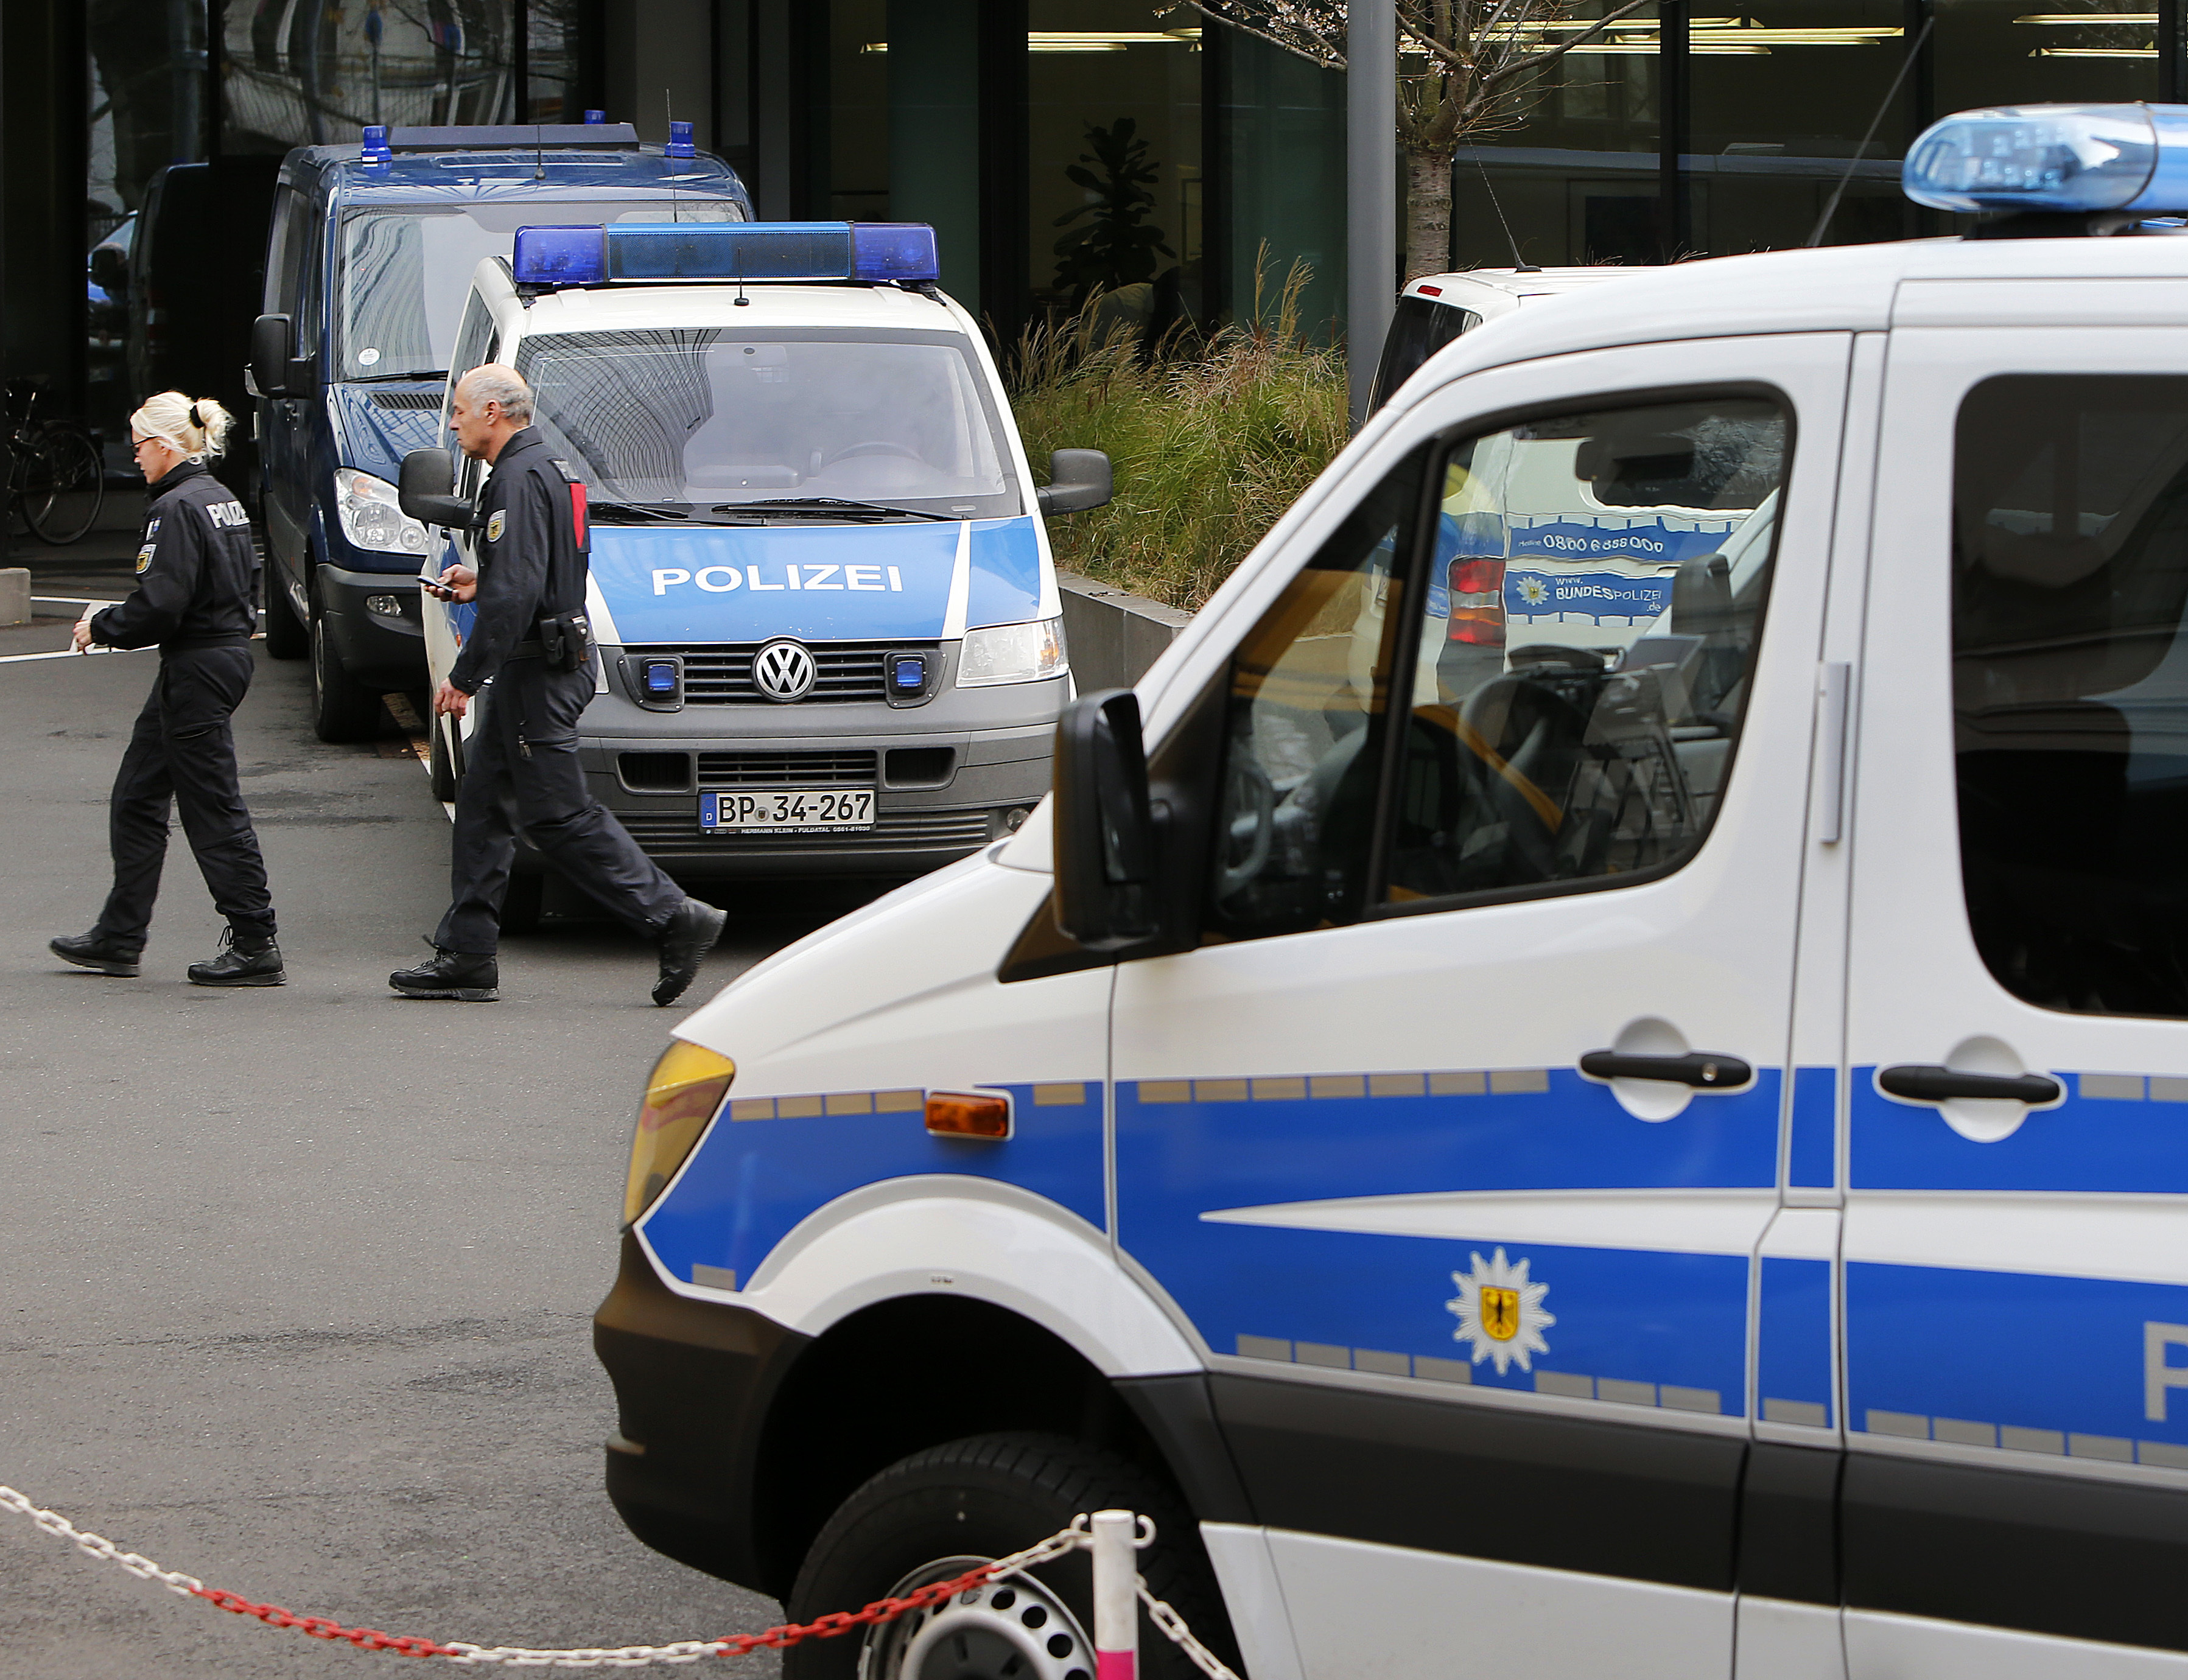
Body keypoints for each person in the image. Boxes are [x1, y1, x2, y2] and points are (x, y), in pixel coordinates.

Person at [390, 365, 726, 1006]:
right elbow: (537, 575)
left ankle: (675, 918)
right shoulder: (554, 468)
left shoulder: (516, 480)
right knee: (483, 805)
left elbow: (517, 593)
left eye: (460, 410)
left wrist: (464, 677)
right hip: (544, 661)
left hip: (537, 671)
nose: (453, 422)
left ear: (494, 412)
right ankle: (467, 953)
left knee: (558, 814)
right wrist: (477, 583)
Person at [49, 393, 284, 987]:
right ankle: (118, 936)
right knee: (137, 795)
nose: (136, 460)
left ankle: (255, 940)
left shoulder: (174, 509)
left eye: (138, 447)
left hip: (197, 669)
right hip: (219, 658)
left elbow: (161, 606)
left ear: (164, 445)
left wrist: (100, 626)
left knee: (212, 807)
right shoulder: (221, 500)